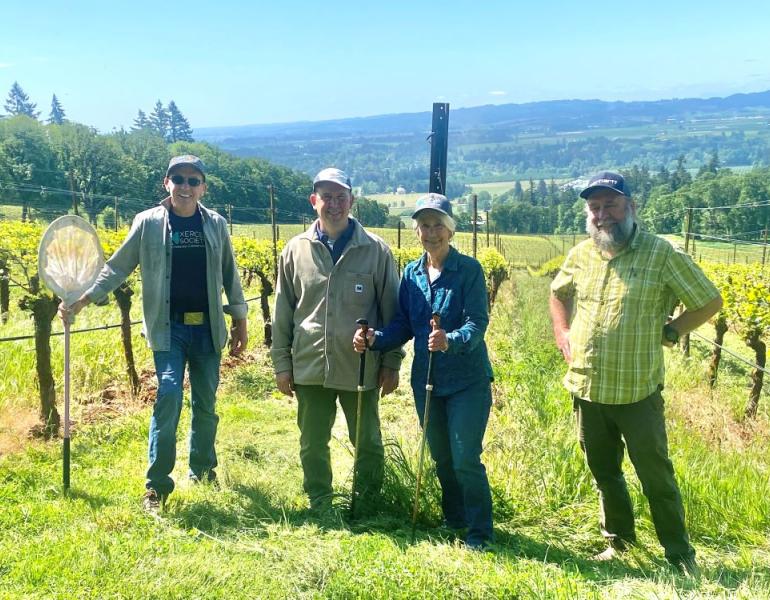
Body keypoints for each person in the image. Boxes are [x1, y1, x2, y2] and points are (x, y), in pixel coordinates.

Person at [549, 171, 722, 575]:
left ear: (630, 206)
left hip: (637, 391)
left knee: (655, 475)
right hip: (588, 387)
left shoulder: (661, 254)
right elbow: (558, 294)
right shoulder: (581, 254)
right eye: (594, 207)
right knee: (604, 472)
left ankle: (679, 555)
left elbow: (709, 300)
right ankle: (619, 542)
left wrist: (675, 329)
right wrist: (562, 331)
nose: (602, 214)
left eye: (610, 204)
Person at [59, 155, 248, 512]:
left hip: (208, 327)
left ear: (203, 188)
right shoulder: (147, 223)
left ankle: (203, 471)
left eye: (194, 180)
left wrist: (240, 320)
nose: (186, 186)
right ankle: (156, 486)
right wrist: (82, 300)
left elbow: (230, 275)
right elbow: (117, 266)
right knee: (169, 394)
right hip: (168, 327)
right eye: (179, 179)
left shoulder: (216, 224)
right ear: (167, 183)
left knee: (206, 404)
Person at [353, 193, 495, 549]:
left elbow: (478, 323)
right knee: (442, 457)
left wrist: (452, 339)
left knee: (465, 457)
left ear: (450, 230)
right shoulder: (412, 274)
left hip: (467, 380)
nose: (431, 232)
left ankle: (480, 532)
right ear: (416, 231)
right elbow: (403, 324)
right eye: (424, 226)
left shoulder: (470, 271)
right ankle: (455, 520)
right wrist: (376, 339)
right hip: (427, 380)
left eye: (438, 225)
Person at [271, 167, 403, 512]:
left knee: (369, 441)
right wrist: (282, 365)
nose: (333, 204)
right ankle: (320, 501)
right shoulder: (295, 250)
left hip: (360, 366)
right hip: (310, 363)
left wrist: (391, 362)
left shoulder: (376, 250)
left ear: (352, 201)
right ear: (314, 201)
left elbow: (393, 313)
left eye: (340, 197)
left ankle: (369, 501)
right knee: (312, 442)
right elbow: (283, 312)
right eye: (326, 197)